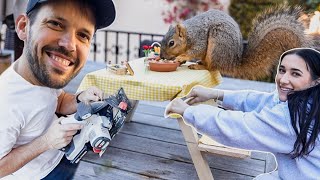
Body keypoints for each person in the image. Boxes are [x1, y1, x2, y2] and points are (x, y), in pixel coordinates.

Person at [0, 0, 116, 179]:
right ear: (24, 27)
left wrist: (80, 98)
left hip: (63, 157)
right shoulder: (5, 100)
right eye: (55, 24)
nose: (70, 45)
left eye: (83, 35)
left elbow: (59, 101)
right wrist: (46, 142)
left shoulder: (41, 75)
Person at [166, 48, 320, 179]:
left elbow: (238, 128)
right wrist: (217, 94)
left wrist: (188, 111)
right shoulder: (310, 103)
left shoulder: (295, 118)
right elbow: (263, 101)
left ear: (316, 81)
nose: (283, 80)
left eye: (295, 74)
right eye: (282, 70)